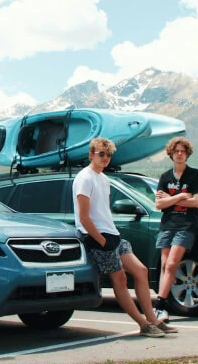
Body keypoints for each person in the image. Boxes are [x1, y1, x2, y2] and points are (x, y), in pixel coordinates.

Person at [73, 137, 171, 338]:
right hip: (98, 238)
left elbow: (102, 211)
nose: (105, 158)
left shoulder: (103, 178)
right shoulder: (85, 178)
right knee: (120, 278)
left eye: (108, 155)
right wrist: (101, 240)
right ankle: (143, 324)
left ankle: (153, 319)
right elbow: (83, 217)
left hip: (113, 235)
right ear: (91, 154)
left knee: (141, 271)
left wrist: (111, 236)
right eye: (101, 154)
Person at [152, 136, 198, 330]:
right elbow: (158, 204)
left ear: (187, 153)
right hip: (167, 225)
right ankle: (161, 306)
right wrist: (182, 196)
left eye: (183, 151)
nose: (180, 154)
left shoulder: (196, 175)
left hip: (186, 225)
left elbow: (196, 202)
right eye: (176, 151)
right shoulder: (165, 177)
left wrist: (171, 198)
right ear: (171, 154)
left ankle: (159, 304)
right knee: (165, 264)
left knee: (173, 262)